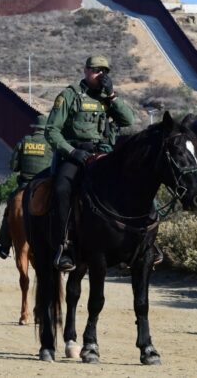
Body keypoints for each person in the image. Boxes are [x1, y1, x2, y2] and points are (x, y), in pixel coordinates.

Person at [45, 55, 135, 272]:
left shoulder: (107, 98)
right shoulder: (70, 95)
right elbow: (51, 131)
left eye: (103, 71)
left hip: (103, 154)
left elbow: (128, 121)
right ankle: (64, 246)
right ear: (86, 71)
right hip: (76, 154)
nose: (99, 75)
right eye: (95, 70)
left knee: (133, 184)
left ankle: (136, 244)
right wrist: (72, 151)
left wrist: (112, 96)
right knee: (62, 189)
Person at [0, 114, 53, 259]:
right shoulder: (51, 144)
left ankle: (3, 244)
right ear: (46, 129)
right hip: (45, 185)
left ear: (35, 128)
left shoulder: (24, 142)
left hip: (25, 186)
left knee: (9, 211)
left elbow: (13, 166)